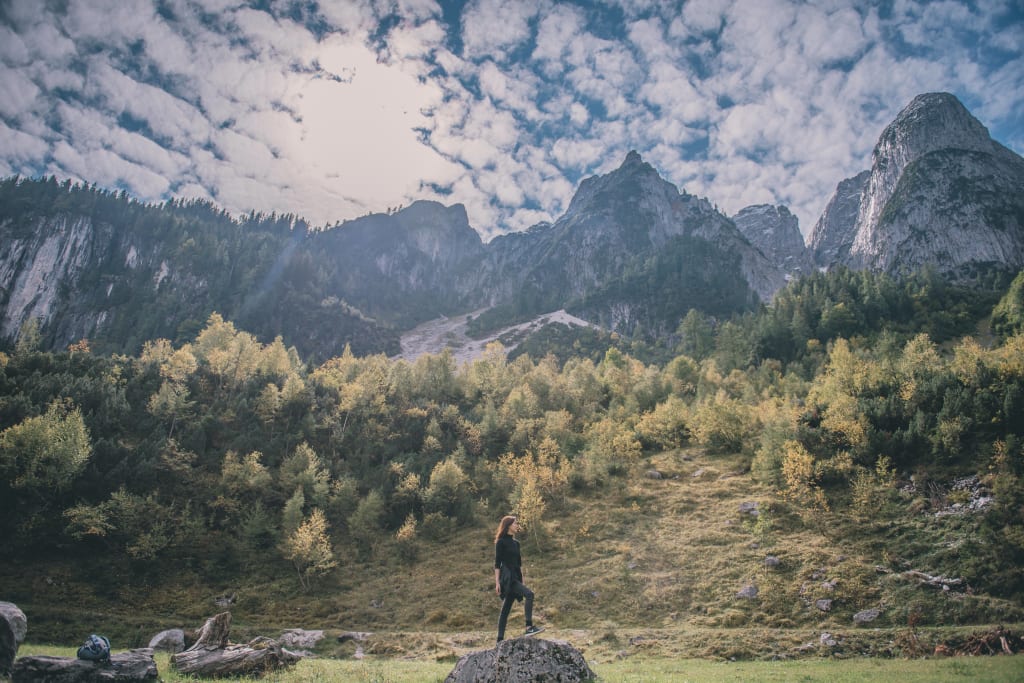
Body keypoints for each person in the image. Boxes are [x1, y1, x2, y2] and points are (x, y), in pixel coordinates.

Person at [494, 515, 543, 643]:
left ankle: (499, 640)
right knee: (530, 594)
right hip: (508, 578)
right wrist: (497, 583)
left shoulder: (516, 543)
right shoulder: (500, 542)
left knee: (505, 610)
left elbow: (519, 563)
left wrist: (522, 580)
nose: (517, 525)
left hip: (516, 577)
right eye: (515, 523)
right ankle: (529, 627)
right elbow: (497, 564)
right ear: (508, 525)